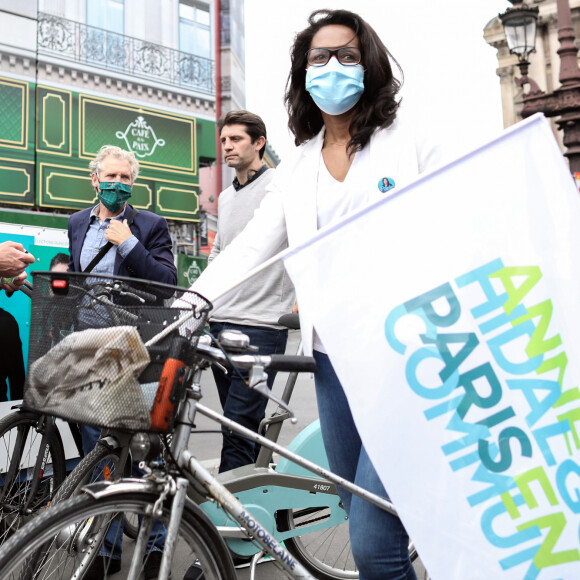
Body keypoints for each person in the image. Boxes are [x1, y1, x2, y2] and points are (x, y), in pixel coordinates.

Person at [185, 9, 441, 579]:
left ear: (370, 66)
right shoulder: (298, 167)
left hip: (407, 358)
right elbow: (251, 247)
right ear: (303, 74)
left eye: (347, 55)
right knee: (360, 510)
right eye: (320, 58)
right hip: (334, 362)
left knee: (373, 541)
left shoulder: (412, 142)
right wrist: (193, 300)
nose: (334, 67)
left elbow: (454, 227)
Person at [67, 144, 177, 580]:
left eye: (126, 179)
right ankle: (107, 548)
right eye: (110, 177)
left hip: (138, 347)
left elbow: (166, 284)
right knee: (102, 449)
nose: (118, 185)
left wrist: (128, 243)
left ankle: (154, 544)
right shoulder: (77, 222)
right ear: (95, 180)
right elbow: (78, 275)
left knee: (147, 447)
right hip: (90, 345)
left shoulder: (149, 225)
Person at [210, 110, 295, 473]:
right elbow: (219, 250)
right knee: (238, 427)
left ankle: (232, 519)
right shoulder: (227, 197)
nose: (227, 146)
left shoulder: (282, 186)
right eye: (224, 140)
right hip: (219, 323)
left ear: (258, 142)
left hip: (260, 325)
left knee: (238, 426)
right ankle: (265, 496)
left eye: (236, 139)